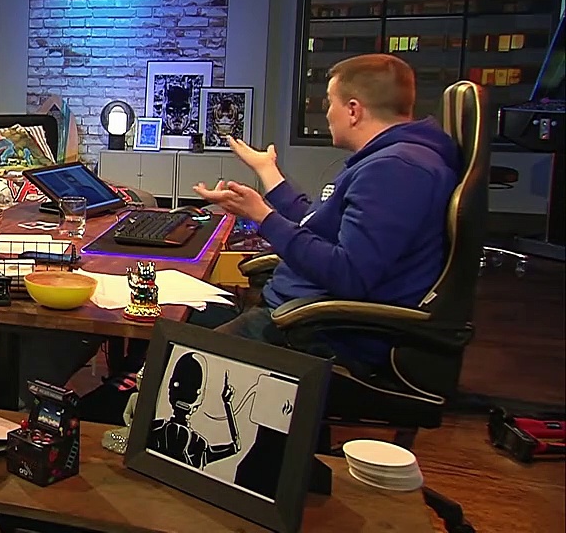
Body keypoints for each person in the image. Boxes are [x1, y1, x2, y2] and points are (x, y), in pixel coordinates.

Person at [194, 53, 460, 369]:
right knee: (186, 316)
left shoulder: (396, 170)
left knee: (177, 358)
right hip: (297, 311)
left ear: (353, 110)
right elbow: (317, 224)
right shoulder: (391, 160)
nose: (328, 114)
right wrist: (267, 172)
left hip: (318, 331)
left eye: (330, 103)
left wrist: (263, 217)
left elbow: (349, 275)